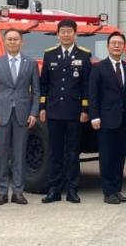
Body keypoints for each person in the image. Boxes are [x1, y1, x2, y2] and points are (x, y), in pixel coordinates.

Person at [39, 19, 92, 204]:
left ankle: (72, 190)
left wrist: (85, 109)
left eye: (69, 31)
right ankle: (54, 189)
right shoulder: (49, 54)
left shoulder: (84, 55)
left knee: (73, 153)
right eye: (63, 31)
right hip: (54, 111)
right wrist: (42, 107)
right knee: (55, 152)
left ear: (75, 34)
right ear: (57, 34)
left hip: (74, 112)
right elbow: (44, 83)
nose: (66, 34)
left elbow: (86, 85)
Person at [0, 28, 40, 206]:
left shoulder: (31, 63)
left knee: (20, 154)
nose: (13, 42)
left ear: (22, 42)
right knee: (1, 155)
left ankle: (18, 192)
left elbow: (36, 91)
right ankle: (1, 192)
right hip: (1, 115)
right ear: (4, 41)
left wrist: (33, 113)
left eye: (16, 39)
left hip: (23, 115)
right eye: (9, 39)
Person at [88, 31, 126, 204]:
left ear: (124, 47)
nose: (117, 46)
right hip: (106, 119)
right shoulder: (98, 67)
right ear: (108, 46)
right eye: (113, 43)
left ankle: (117, 190)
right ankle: (108, 192)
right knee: (107, 157)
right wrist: (94, 117)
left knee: (120, 156)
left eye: (120, 43)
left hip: (125, 120)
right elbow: (93, 94)